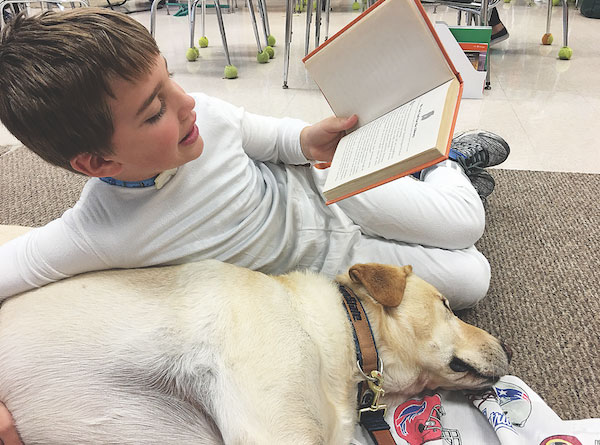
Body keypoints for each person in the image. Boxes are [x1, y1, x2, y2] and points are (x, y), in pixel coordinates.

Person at [0, 8, 509, 442]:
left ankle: (446, 163)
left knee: (464, 224)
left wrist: (308, 139)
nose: (186, 103)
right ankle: (442, 177)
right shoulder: (97, 232)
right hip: (333, 269)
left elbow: (266, 136)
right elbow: (11, 267)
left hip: (334, 196)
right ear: (96, 163)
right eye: (155, 110)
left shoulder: (204, 120)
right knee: (470, 279)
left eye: (170, 77)